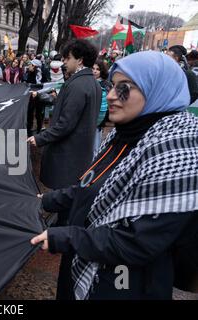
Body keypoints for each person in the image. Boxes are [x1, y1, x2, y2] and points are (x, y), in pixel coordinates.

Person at [30, 51, 198, 300]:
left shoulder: (176, 153)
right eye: (113, 86)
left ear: (156, 90)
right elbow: (91, 188)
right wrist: (46, 200)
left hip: (125, 284)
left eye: (124, 88)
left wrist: (67, 237)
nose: (110, 95)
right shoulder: (125, 136)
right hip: (86, 263)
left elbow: (138, 241)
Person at [27, 39, 101, 191]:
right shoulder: (92, 83)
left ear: (79, 60)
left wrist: (39, 138)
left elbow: (65, 124)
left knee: (63, 203)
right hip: (78, 156)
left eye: (67, 58)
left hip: (67, 157)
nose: (63, 62)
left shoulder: (77, 85)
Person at [92, 59, 112, 154]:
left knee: (95, 147)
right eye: (93, 68)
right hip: (89, 119)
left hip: (99, 121)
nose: (95, 71)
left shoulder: (106, 85)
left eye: (98, 69)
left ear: (102, 71)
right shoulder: (88, 82)